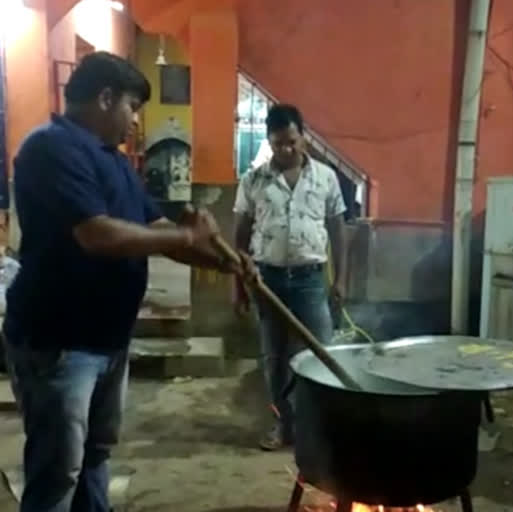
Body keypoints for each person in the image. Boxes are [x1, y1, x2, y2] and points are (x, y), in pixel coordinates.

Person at [3, 52, 237, 512]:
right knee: (58, 470)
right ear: (105, 98)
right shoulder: (52, 148)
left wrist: (226, 261)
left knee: (95, 455)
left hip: (107, 340)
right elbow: (97, 234)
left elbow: (157, 234)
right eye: (133, 107)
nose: (136, 121)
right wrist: (189, 232)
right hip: (60, 342)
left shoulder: (112, 161)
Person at [233, 104, 346, 451]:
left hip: (311, 280)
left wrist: (339, 279)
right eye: (279, 143)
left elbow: (337, 228)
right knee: (275, 358)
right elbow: (239, 236)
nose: (286, 149)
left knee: (319, 353)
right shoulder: (253, 181)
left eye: (292, 141)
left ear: (304, 138)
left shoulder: (325, 177)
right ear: (269, 142)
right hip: (267, 281)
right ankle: (282, 424)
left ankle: (320, 427)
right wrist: (237, 285)